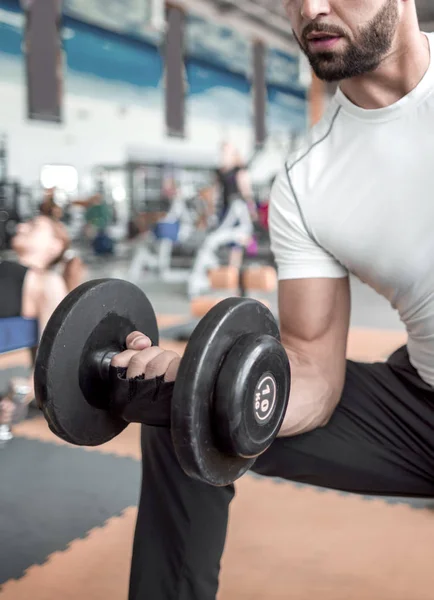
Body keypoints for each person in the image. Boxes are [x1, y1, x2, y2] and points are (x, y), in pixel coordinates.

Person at [111, 0, 434, 597]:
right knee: (187, 408)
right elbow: (311, 362)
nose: (311, 9)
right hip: (421, 411)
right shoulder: (306, 180)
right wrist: (211, 383)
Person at [0, 215, 85, 440]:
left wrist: (23, 393)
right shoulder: (8, 267)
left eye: (34, 226)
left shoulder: (46, 281)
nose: (20, 226)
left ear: (54, 246)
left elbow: (52, 348)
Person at [215, 142, 257, 268]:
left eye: (226, 152)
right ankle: (230, 271)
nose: (223, 154)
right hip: (225, 208)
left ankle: (233, 269)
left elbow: (246, 190)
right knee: (226, 238)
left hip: (238, 209)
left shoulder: (240, 171)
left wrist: (251, 208)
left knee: (237, 241)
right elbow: (217, 191)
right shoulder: (220, 172)